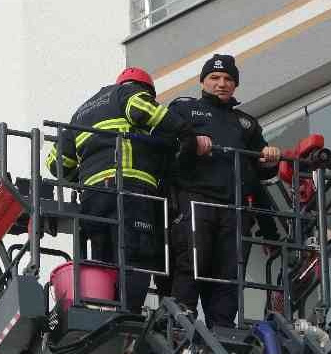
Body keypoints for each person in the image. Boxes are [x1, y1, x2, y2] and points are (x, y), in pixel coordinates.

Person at [46, 67, 197, 314]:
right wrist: (185, 133)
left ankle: (108, 311)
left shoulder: (80, 113)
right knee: (136, 257)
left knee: (105, 260)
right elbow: (143, 109)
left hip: (93, 199)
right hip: (130, 190)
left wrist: (86, 177)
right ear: (143, 89)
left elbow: (56, 164)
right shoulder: (128, 93)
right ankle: (129, 314)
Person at [167, 54, 281, 328]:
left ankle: (223, 331)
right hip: (196, 199)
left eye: (228, 79)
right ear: (203, 82)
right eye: (215, 78)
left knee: (229, 275)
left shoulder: (246, 123)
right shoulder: (184, 109)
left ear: (235, 84)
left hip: (235, 208)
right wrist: (190, 143)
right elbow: (165, 148)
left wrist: (268, 159)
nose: (221, 84)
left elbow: (259, 175)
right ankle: (182, 328)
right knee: (192, 264)